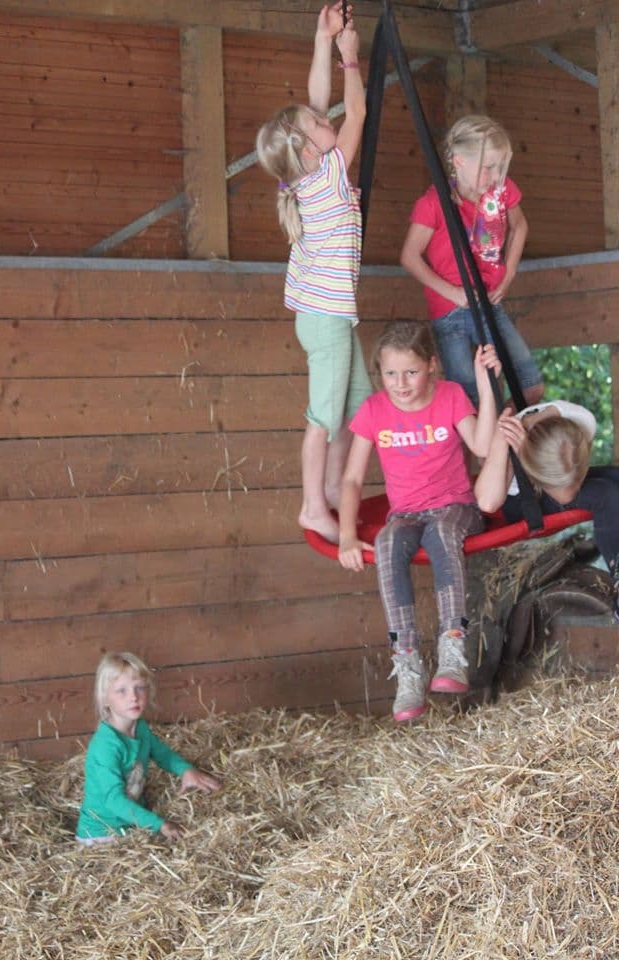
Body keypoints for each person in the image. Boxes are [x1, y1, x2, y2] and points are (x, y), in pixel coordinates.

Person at [338, 319, 501, 722]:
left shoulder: (449, 395)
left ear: (431, 365)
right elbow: (353, 478)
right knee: (388, 542)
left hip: (455, 507)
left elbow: (482, 444)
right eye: (390, 373)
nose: (400, 383)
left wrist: (485, 383)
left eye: (410, 372)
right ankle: (407, 665)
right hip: (405, 514)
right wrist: (345, 535)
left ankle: (452, 647)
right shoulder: (374, 410)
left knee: (443, 533)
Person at [256, 2, 371, 544]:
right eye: (320, 126)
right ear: (307, 147)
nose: (328, 121)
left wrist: (321, 38)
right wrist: (352, 60)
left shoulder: (305, 172)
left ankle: (327, 493)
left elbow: (318, 105)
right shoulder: (326, 179)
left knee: (357, 407)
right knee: (323, 418)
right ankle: (311, 505)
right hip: (325, 320)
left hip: (329, 315)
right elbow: (357, 114)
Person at [400, 113, 543, 407]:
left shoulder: (500, 191)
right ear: (459, 161)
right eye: (488, 167)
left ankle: (501, 439)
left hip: (489, 303)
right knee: (469, 402)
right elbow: (409, 257)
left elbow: (520, 225)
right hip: (450, 312)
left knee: (530, 386)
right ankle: (486, 445)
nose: (495, 176)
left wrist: (510, 272)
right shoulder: (434, 203)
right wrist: (452, 292)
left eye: (500, 168)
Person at [474, 400, 619, 622]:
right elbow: (487, 501)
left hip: (545, 465)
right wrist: (518, 454)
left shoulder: (581, 423)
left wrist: (531, 421)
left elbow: (561, 408)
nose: (571, 493)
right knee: (606, 495)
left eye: (576, 481)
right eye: (563, 487)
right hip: (523, 502)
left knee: (614, 478)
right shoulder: (510, 443)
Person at [76, 652, 220, 844]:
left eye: (140, 688)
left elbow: (162, 754)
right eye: (122, 691)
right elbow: (114, 801)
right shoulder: (106, 746)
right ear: (105, 698)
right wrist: (158, 824)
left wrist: (185, 770)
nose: (134, 697)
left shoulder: (140, 728)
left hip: (132, 826)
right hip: (101, 835)